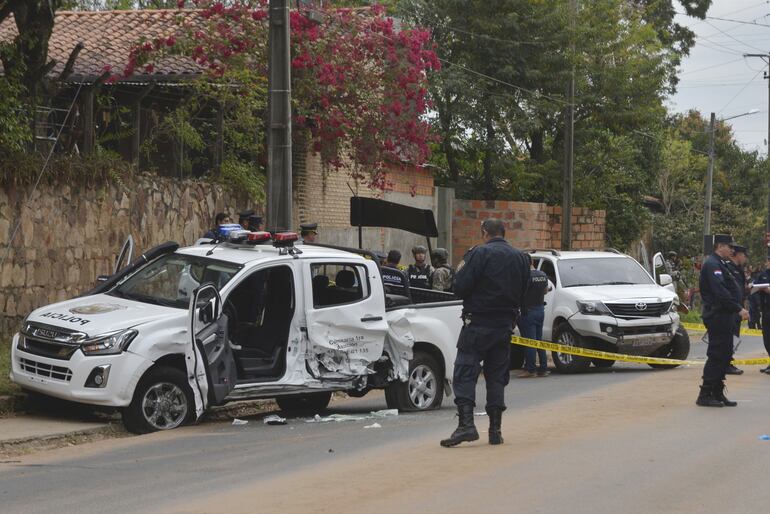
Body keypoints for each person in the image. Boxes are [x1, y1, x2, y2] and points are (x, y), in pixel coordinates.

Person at [440, 219, 530, 448]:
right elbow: (527, 292)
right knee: (497, 376)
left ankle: (467, 426)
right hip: (504, 326)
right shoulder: (520, 257)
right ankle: (495, 430)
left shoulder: (479, 253)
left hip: (478, 324)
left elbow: (459, 286)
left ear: (484, 233)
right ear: (504, 232)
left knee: (464, 372)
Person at [696, 234, 748, 408]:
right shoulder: (712, 264)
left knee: (725, 355)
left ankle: (717, 392)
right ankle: (705, 393)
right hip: (718, 315)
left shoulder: (721, 264)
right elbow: (720, 292)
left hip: (725, 316)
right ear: (719, 246)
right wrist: (738, 308)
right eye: (729, 246)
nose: (732, 250)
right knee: (717, 355)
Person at [516, 262, 549, 378]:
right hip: (540, 310)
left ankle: (530, 369)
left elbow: (519, 293)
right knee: (539, 340)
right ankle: (543, 368)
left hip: (527, 311)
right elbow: (545, 291)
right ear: (532, 262)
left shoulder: (525, 276)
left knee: (529, 341)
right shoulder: (543, 274)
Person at [725, 243, 749, 375]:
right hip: (730, 309)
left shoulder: (738, 269)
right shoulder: (727, 268)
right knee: (729, 336)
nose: (745, 259)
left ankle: (729, 360)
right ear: (739, 255)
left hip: (738, 308)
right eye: (744, 256)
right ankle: (726, 363)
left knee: (734, 335)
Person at [755, 251, 770, 373]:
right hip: (765, 310)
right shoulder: (763, 274)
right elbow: (755, 287)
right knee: (767, 338)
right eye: (768, 261)